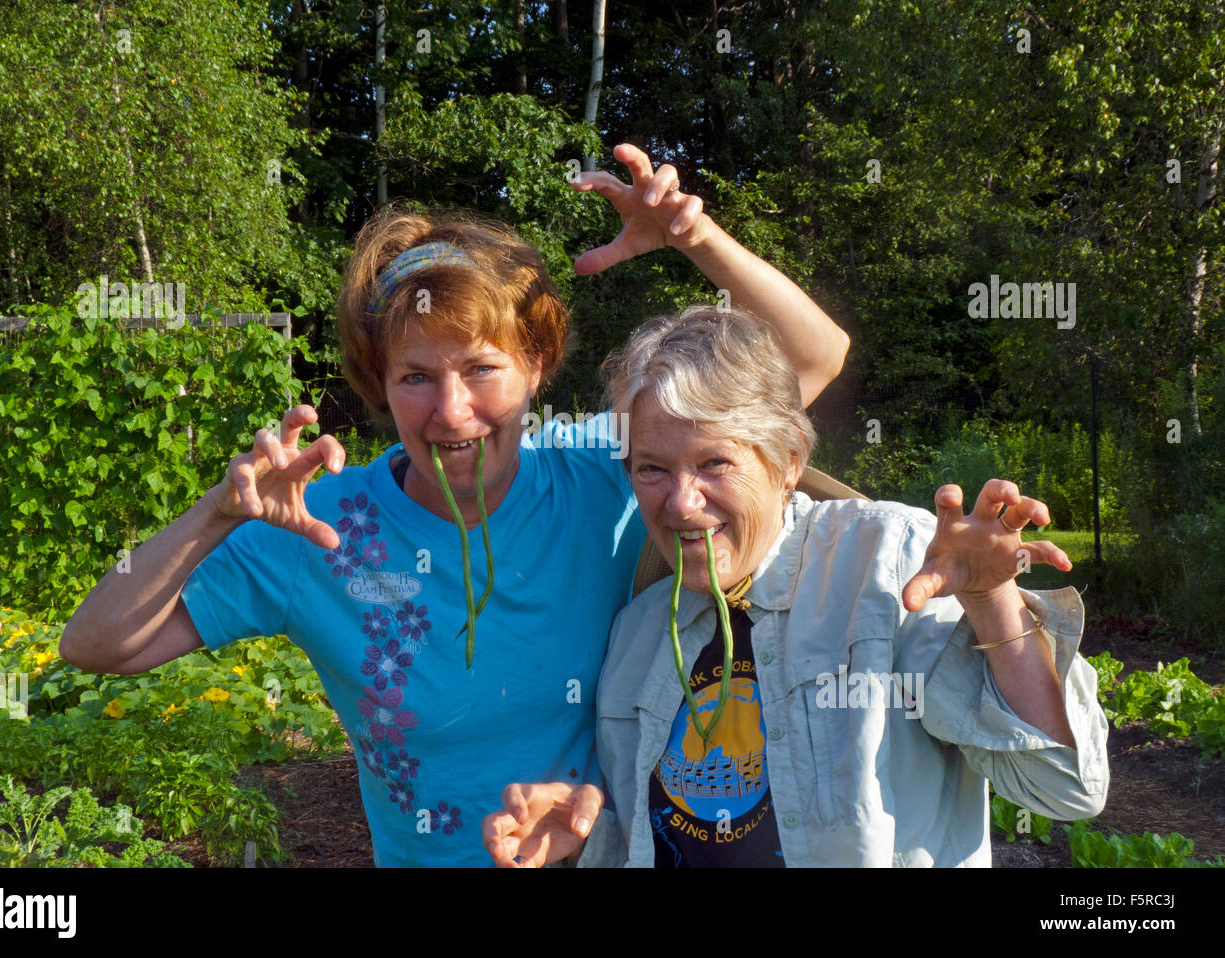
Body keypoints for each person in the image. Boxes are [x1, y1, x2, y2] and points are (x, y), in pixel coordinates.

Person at [58, 144, 852, 867]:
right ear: (380, 386)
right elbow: (97, 645)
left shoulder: (598, 467)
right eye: (415, 377)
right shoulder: (312, 527)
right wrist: (216, 515)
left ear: (536, 366)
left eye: (480, 369)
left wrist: (693, 237)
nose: (452, 411)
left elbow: (811, 360)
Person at [482, 305, 1109, 867]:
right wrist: (585, 840)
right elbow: (659, 844)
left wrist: (992, 603)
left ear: (788, 461)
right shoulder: (641, 630)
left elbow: (1064, 788)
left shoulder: (887, 564)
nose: (681, 501)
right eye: (652, 468)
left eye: (713, 462)